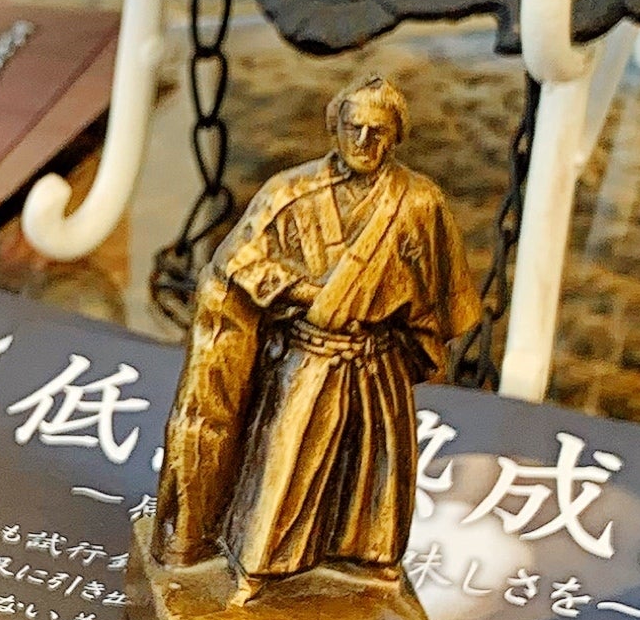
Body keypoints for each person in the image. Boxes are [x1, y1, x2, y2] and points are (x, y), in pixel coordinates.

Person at [152, 74, 479, 590]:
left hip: (376, 361)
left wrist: (398, 317)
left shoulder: (420, 203)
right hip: (307, 357)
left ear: (396, 136)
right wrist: (306, 293)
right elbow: (237, 261)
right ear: (335, 128)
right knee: (286, 469)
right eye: (354, 128)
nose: (364, 141)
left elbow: (446, 296)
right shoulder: (291, 192)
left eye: (378, 131)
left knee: (374, 477)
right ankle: (260, 569)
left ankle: (366, 565)